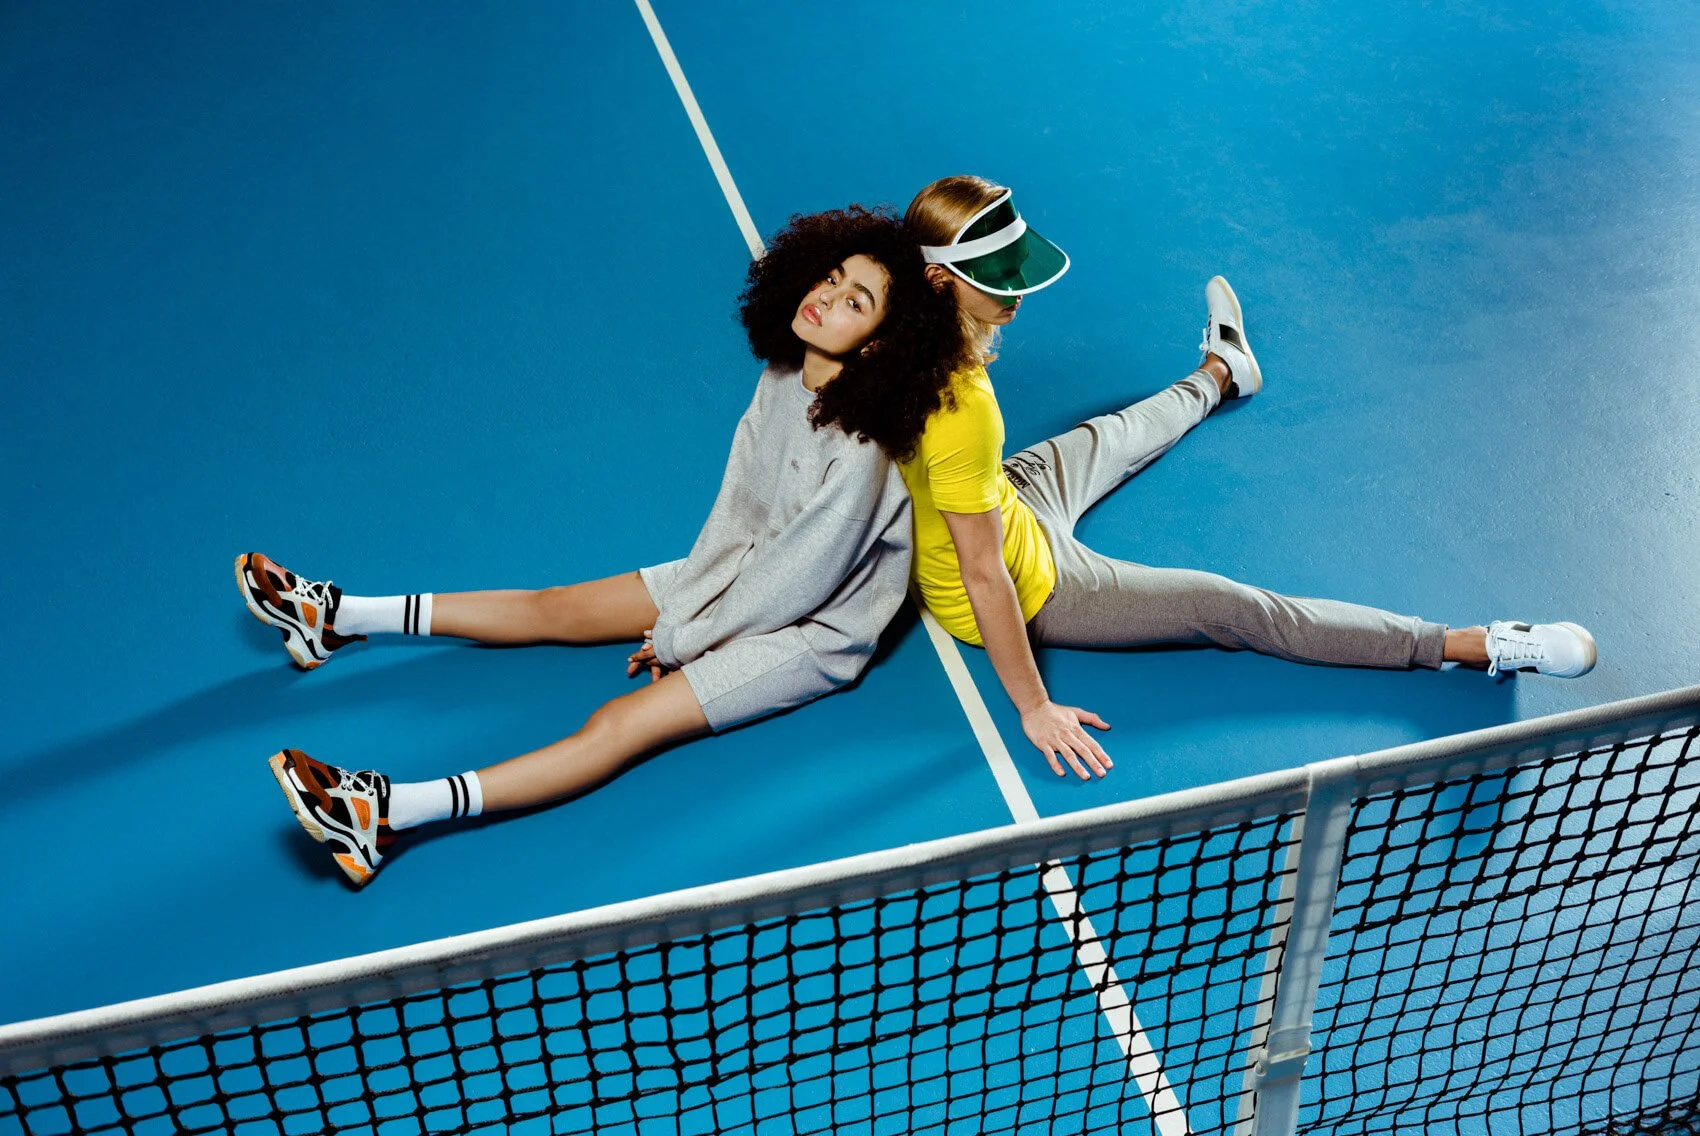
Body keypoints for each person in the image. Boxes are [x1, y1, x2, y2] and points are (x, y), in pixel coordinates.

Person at [239, 206, 963, 886]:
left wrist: (688, 637)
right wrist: (686, 611)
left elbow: (798, 583)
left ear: (878, 344)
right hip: (746, 572)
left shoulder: (860, 453)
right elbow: (737, 514)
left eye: (855, 302)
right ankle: (337, 618)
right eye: (832, 277)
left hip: (812, 631)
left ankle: (386, 817)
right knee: (555, 606)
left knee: (620, 724)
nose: (827, 298)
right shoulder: (782, 375)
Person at [898, 174, 1596, 781]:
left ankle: (1224, 370)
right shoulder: (961, 409)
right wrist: (1033, 707)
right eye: (996, 278)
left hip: (1008, 494)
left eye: (1013, 265)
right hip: (1035, 584)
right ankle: (1466, 643)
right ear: (938, 281)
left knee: (1117, 433)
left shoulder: (880, 329)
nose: (1018, 290)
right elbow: (984, 573)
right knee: (1232, 607)